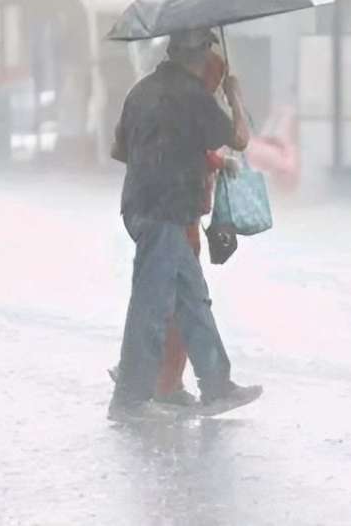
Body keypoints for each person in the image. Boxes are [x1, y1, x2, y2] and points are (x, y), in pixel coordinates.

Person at [108, 28, 262, 422]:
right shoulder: (193, 96)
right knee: (151, 303)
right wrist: (236, 97)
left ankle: (215, 385)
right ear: (201, 55)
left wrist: (167, 153)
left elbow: (118, 149)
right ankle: (130, 398)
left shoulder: (140, 92)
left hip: (141, 207)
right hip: (167, 213)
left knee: (192, 299)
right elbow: (240, 138)